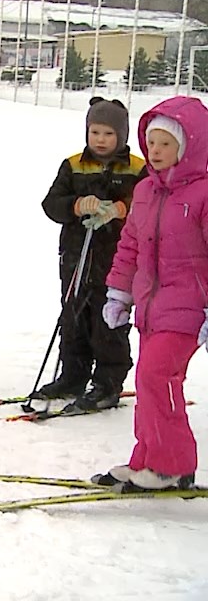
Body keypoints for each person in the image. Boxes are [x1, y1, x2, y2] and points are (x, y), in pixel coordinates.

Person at [95, 97, 207, 491]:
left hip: (189, 309)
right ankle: (147, 458)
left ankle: (172, 465)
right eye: (151, 142)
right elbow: (130, 247)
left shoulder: (204, 194)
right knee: (149, 384)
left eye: (165, 143)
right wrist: (118, 294)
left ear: (188, 146)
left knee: (157, 378)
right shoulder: (145, 191)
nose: (155, 151)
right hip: (151, 309)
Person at [37, 97, 145, 410]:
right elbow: (51, 204)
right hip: (75, 255)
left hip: (116, 258)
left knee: (108, 319)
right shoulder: (73, 165)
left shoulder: (137, 169)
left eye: (108, 134)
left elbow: (147, 206)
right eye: (95, 132)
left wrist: (122, 209)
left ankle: (107, 382)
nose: (100, 140)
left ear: (121, 135)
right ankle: (72, 375)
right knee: (73, 316)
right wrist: (75, 205)